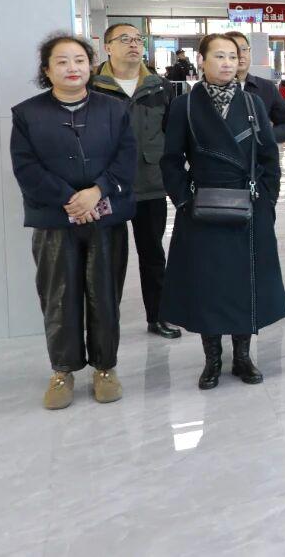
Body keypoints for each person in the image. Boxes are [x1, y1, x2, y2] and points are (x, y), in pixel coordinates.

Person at [10, 33, 137, 409]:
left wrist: (98, 191)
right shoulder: (28, 114)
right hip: (55, 219)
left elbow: (126, 158)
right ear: (47, 70)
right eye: (62, 61)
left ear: (91, 66)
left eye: (79, 60)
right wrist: (70, 199)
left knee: (105, 295)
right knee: (59, 297)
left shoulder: (115, 109)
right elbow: (26, 167)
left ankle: (105, 368)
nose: (72, 68)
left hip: (105, 216)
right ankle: (62, 371)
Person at [158, 33, 285, 390]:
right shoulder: (184, 106)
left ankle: (242, 356)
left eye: (233, 55)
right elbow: (170, 160)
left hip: (248, 205)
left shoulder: (252, 103)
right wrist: (184, 201)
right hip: (203, 207)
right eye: (219, 56)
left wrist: (268, 200)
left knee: (246, 281)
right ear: (201, 60)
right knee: (208, 284)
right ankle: (212, 359)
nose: (228, 62)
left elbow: (269, 157)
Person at [91, 23, 179, 339]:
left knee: (153, 254)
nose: (133, 44)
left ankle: (158, 316)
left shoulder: (159, 87)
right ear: (108, 47)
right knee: (107, 258)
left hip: (151, 184)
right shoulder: (93, 87)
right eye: (125, 39)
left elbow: (173, 134)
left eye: (138, 39)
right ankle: (105, 322)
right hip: (105, 188)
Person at [225, 30, 285, 144]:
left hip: (259, 154)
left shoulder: (267, 88)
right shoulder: (212, 89)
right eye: (234, 50)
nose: (241, 55)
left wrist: (266, 137)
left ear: (249, 52)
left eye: (244, 49)